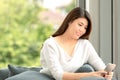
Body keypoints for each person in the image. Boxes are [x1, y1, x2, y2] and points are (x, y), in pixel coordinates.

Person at [40, 7, 114, 80]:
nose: (82, 30)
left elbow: (100, 66)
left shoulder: (85, 45)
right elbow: (59, 75)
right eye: (80, 25)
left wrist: (107, 73)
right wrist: (90, 75)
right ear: (70, 21)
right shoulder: (50, 44)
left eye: (85, 28)